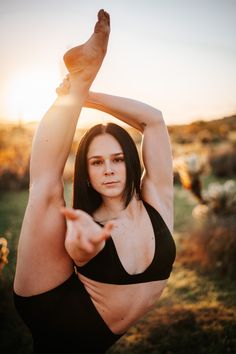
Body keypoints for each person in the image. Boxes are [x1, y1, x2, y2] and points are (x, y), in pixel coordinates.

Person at [13, 9, 176, 354]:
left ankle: (81, 77)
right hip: (51, 309)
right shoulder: (88, 226)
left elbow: (154, 122)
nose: (109, 169)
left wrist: (84, 91)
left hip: (93, 333)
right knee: (46, 190)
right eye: (96, 162)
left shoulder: (158, 199)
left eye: (117, 159)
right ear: (87, 172)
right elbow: (80, 248)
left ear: (132, 163)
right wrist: (84, 246)